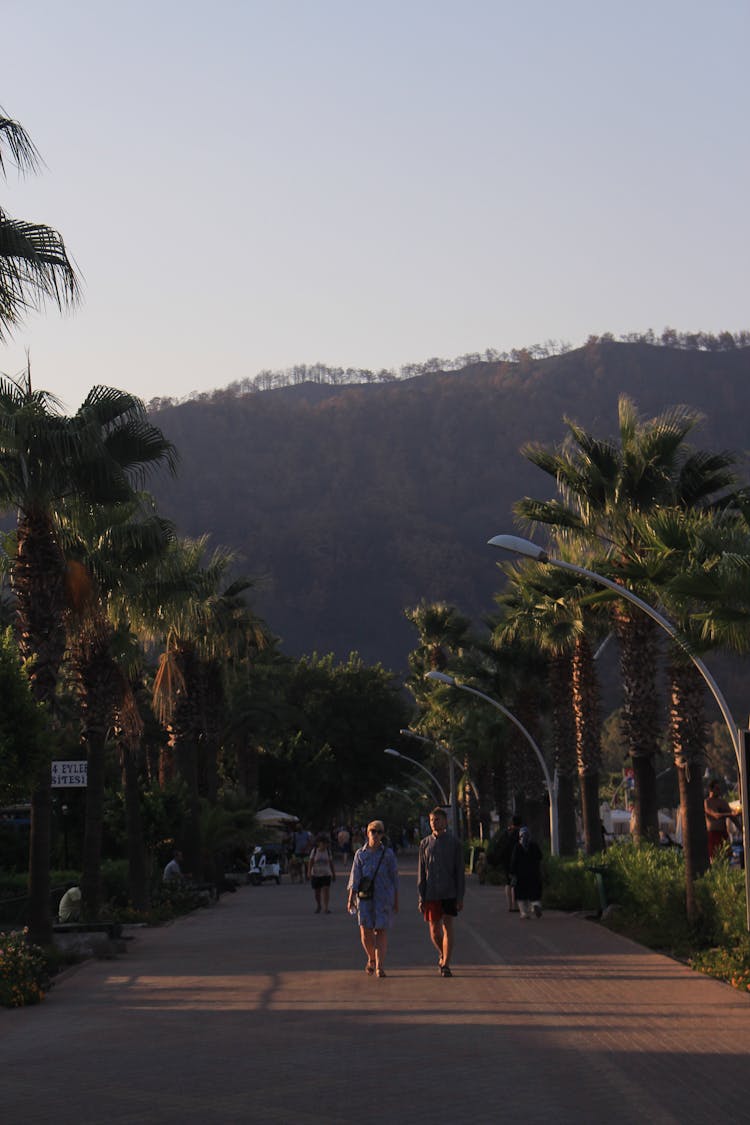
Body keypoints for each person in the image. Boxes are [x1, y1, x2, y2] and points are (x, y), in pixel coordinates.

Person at [347, 819, 399, 978]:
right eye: (373, 831)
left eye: (379, 832)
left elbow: (394, 878)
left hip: (383, 898)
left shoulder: (388, 854)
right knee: (365, 932)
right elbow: (355, 878)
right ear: (367, 833)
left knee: (381, 931)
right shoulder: (360, 854)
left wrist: (396, 900)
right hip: (365, 898)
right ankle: (371, 958)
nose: (376, 835)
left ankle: (380, 966)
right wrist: (350, 898)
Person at [417, 807, 465, 977]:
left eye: (437, 819)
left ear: (445, 822)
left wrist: (460, 897)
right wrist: (421, 896)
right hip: (431, 893)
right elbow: (421, 872)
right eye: (431, 820)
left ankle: (446, 964)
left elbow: (460, 872)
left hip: (449, 892)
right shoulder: (425, 843)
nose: (434, 823)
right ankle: (442, 952)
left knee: (447, 926)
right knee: (434, 931)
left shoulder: (454, 843)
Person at [489, 814, 521, 912]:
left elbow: (499, 846)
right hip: (516, 860)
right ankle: (515, 905)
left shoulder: (506, 833)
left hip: (505, 861)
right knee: (515, 883)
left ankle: (510, 905)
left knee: (508, 882)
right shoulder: (519, 833)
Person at [510, 826, 543, 919]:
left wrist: (512, 872)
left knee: (521, 895)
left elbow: (513, 861)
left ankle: (524, 913)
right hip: (534, 874)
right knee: (534, 893)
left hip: (521, 875)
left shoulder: (517, 847)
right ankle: (535, 904)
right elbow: (540, 857)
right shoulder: (534, 845)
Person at [704, 779, 736, 861]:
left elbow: (734, 818)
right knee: (713, 859)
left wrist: (742, 829)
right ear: (711, 790)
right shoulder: (707, 802)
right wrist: (730, 814)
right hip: (712, 834)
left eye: (719, 789)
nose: (719, 791)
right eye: (717, 788)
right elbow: (715, 815)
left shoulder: (723, 802)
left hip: (723, 834)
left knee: (726, 859)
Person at [308, 832, 336, 913]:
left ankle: (326, 907)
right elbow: (310, 862)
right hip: (316, 874)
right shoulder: (314, 851)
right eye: (322, 843)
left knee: (326, 890)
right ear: (318, 843)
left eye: (326, 843)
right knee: (317, 892)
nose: (324, 845)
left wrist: (333, 874)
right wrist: (309, 872)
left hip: (326, 874)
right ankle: (319, 905)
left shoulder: (328, 851)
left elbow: (331, 863)